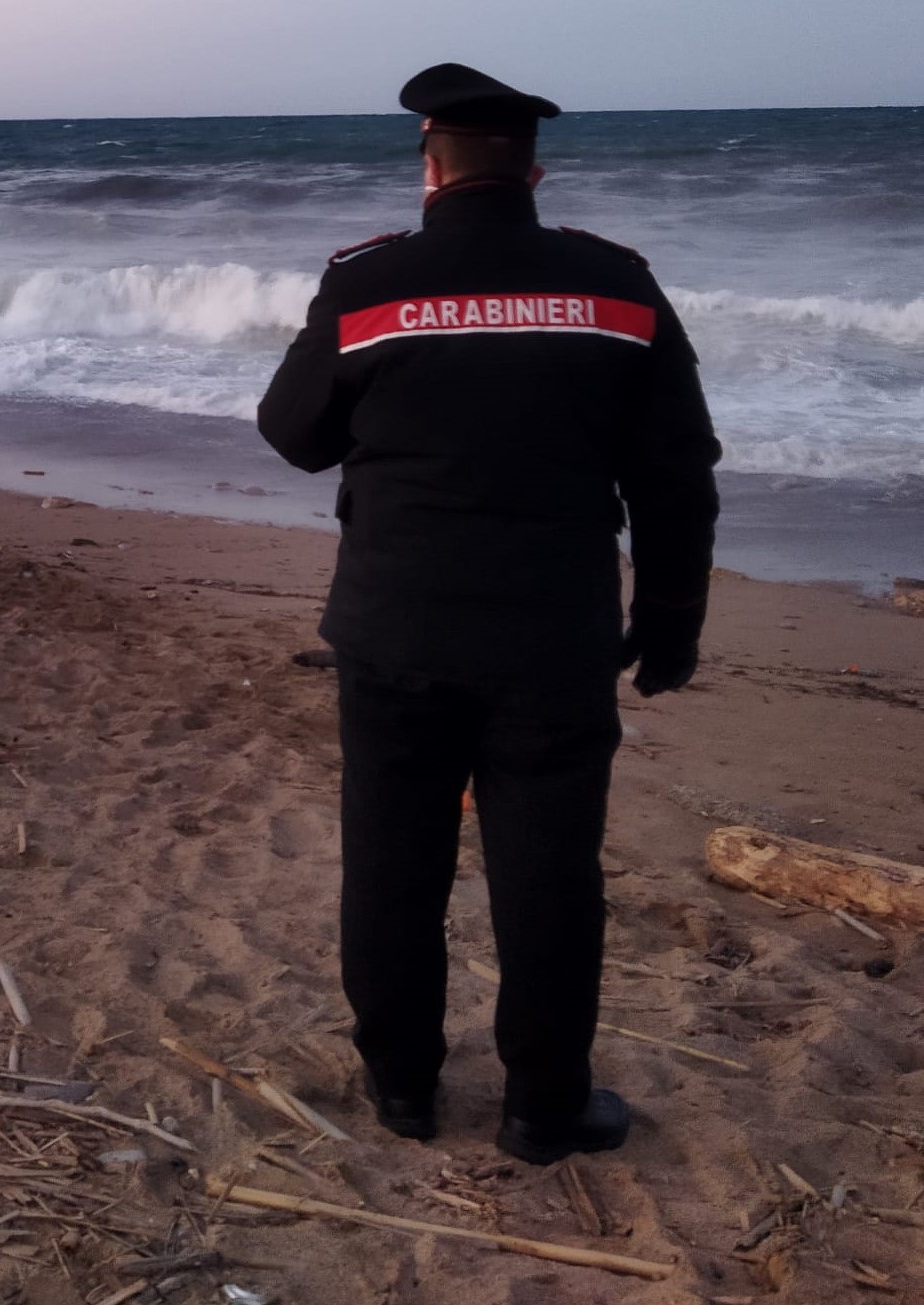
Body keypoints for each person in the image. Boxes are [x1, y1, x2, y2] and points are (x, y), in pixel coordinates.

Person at [257, 63, 721, 1165]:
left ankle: (404, 1090)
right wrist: (671, 623)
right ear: (534, 171)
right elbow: (677, 473)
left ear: (430, 169)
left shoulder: (368, 285)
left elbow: (293, 431)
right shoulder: (616, 285)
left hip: (394, 629)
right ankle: (542, 1110)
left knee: (390, 864)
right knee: (552, 877)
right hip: (551, 637)